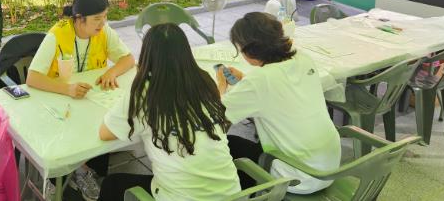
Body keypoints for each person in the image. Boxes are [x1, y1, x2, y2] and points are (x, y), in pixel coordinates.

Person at [98, 23, 241, 201]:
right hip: (234, 195)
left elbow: (105, 133)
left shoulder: (144, 91)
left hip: (182, 197)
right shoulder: (203, 79)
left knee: (112, 184)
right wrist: (221, 87)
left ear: (147, 56)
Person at [27, 0, 135, 200]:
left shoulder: (104, 32)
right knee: (70, 129)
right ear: (79, 18)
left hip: (90, 98)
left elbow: (128, 59)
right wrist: (67, 89)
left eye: (105, 17)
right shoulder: (57, 35)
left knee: (105, 122)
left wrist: (112, 72)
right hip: (59, 99)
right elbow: (32, 77)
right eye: (97, 19)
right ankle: (67, 174)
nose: (102, 23)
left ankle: (84, 170)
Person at [218, 12, 341, 194]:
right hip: (329, 166)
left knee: (229, 145)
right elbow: (278, 90)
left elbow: (216, 115)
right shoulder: (303, 58)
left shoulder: (259, 81)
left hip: (299, 177)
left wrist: (221, 85)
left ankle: (256, 194)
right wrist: (244, 79)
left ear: (248, 51)